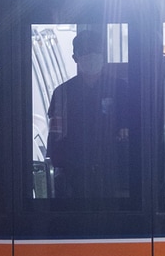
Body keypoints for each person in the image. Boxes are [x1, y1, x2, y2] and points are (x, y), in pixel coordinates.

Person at [47, 30, 132, 199]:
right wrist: (56, 170)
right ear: (75, 58)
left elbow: (130, 131)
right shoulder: (63, 92)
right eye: (85, 53)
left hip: (114, 172)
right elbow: (55, 138)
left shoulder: (120, 89)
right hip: (74, 174)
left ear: (103, 56)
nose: (91, 57)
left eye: (96, 52)